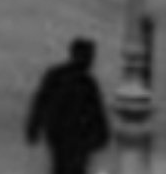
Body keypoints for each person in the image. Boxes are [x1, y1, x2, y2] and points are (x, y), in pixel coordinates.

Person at [24, 37, 111, 174]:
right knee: (69, 168)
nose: (91, 60)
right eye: (88, 56)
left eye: (91, 56)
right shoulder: (77, 80)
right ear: (76, 55)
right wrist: (33, 127)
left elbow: (40, 102)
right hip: (67, 136)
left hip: (70, 136)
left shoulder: (82, 81)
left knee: (67, 168)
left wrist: (33, 127)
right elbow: (41, 101)